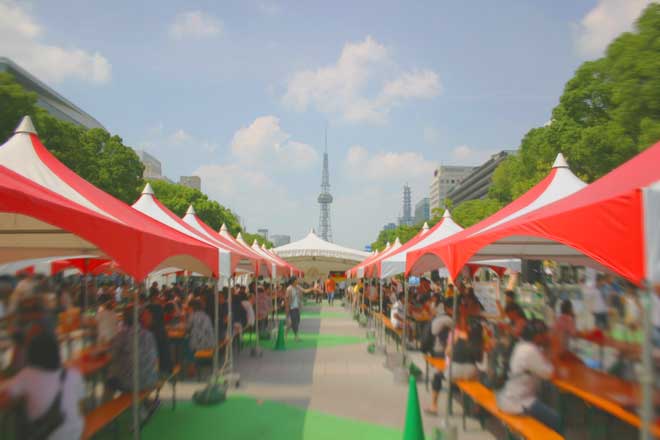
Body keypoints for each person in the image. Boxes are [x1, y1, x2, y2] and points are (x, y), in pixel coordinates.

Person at [0, 332, 85, 439]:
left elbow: (2, 402)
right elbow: (80, 404)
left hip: (49, 435)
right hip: (76, 431)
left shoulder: (27, 374)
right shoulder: (73, 373)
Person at [496, 319, 561, 434]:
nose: (547, 336)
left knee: (545, 400)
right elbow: (552, 374)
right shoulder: (530, 351)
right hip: (519, 402)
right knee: (555, 419)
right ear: (538, 336)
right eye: (545, 334)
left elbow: (543, 362)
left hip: (508, 396)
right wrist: (555, 350)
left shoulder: (522, 345)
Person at [105, 306, 159, 400]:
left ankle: (105, 409)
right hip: (150, 379)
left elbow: (110, 356)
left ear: (124, 319)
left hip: (131, 382)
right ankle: (143, 404)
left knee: (110, 380)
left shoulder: (122, 335)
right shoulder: (148, 334)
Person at [145, 293, 173, 374]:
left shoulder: (151, 333)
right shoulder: (161, 329)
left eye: (147, 315)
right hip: (164, 367)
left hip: (157, 370)